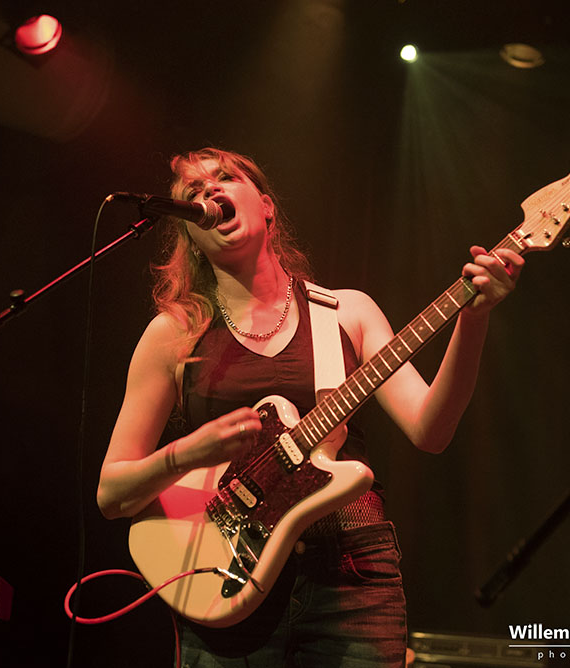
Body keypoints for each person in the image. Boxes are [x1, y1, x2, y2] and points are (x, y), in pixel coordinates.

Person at [96, 148, 523, 667]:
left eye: (224, 178)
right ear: (190, 232)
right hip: (222, 573)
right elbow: (112, 494)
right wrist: (187, 453)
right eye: (193, 193)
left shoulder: (346, 311)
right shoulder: (174, 334)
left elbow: (430, 430)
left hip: (350, 570)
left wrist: (473, 319)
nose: (209, 193)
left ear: (267, 207)